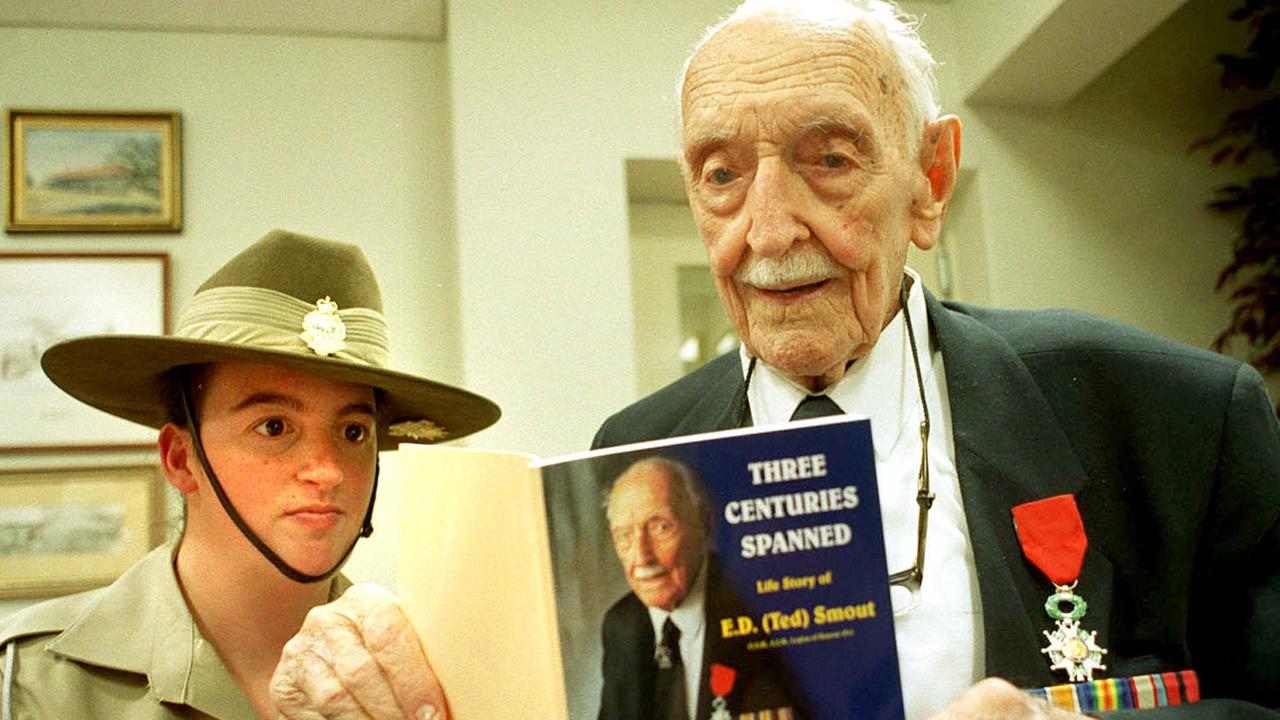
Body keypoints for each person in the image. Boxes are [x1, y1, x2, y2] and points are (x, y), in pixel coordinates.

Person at [593, 1, 1280, 719]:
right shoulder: (634, 453)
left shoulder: (1172, 418)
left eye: (829, 159)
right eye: (721, 174)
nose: (767, 231)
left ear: (932, 178)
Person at [0, 229, 500, 719]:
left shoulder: (433, 675)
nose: (327, 472)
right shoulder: (31, 680)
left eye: (352, 433)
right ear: (180, 459)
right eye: (274, 426)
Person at [598, 456, 803, 720]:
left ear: (704, 526)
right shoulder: (620, 625)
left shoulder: (760, 607)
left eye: (661, 527)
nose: (641, 557)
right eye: (624, 536)